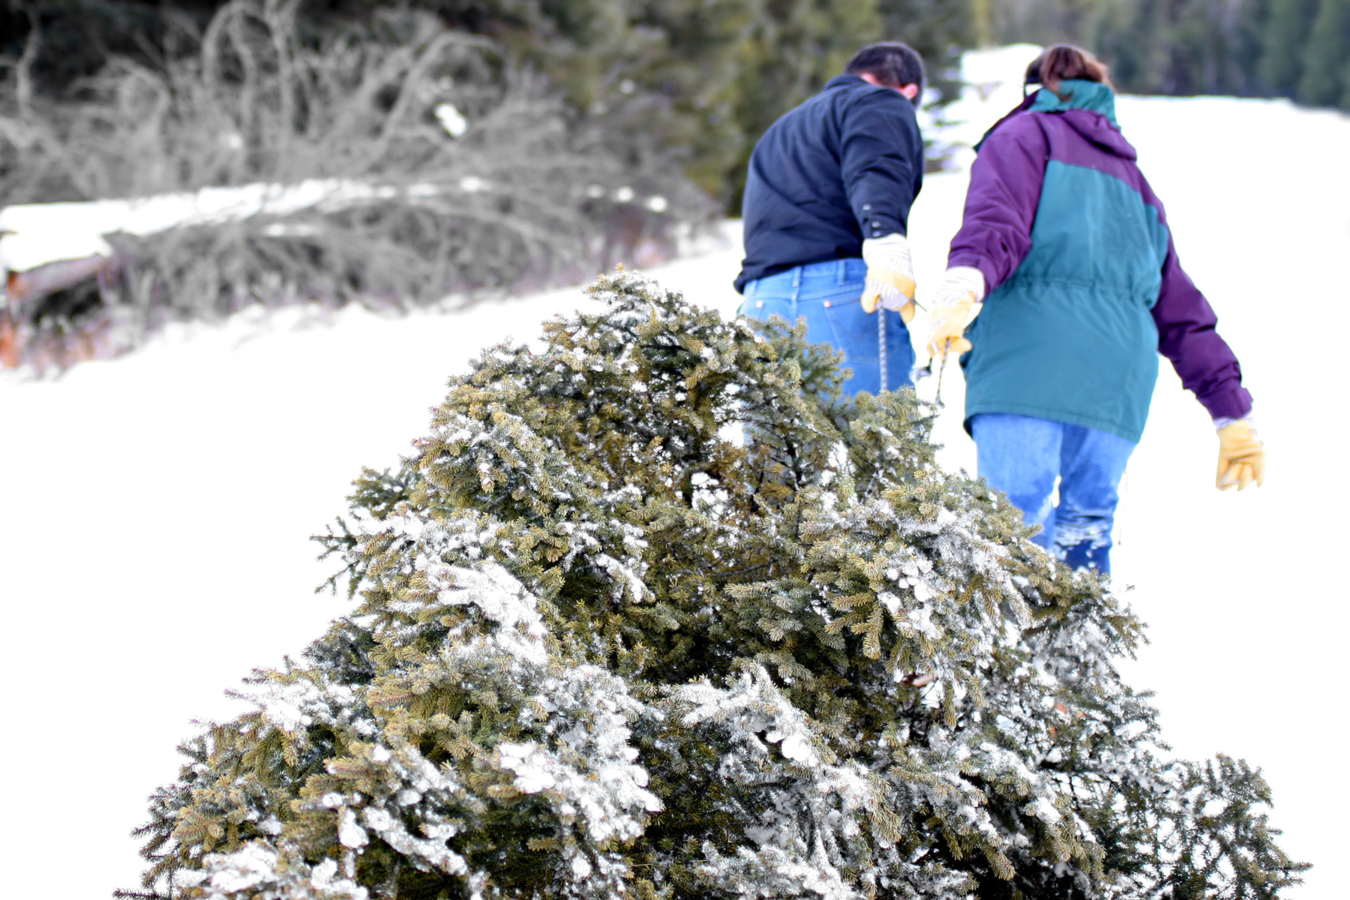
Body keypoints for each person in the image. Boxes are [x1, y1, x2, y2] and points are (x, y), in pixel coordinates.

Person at [924, 44, 1265, 574]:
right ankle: (1073, 654)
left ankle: (1007, 655)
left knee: (1008, 534)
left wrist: (962, 287)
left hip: (1027, 364)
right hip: (1117, 380)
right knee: (1086, 530)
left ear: (1035, 89)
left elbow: (996, 226)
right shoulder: (1137, 184)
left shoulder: (1021, 136)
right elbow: (1180, 308)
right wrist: (1231, 412)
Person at [735, 42, 926, 397]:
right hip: (841, 293)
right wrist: (886, 239)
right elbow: (876, 166)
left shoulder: (780, 129)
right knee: (881, 445)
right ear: (908, 92)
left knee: (779, 450)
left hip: (762, 302)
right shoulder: (880, 101)